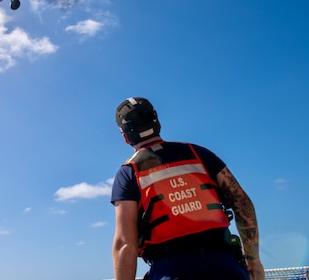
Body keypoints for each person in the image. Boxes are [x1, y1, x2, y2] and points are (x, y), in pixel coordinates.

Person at [110, 97, 265, 280]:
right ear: (157, 122)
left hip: (171, 269)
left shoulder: (128, 173)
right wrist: (253, 260)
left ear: (125, 136)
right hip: (225, 265)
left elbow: (125, 243)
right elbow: (241, 201)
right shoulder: (198, 153)